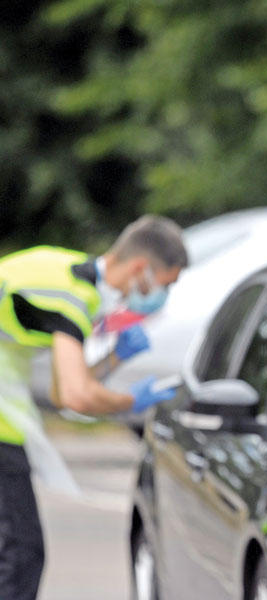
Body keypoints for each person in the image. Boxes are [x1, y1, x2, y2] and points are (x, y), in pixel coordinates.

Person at [0, 215, 188, 600]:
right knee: (22, 554)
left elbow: (60, 390)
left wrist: (116, 358)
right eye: (165, 285)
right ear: (141, 269)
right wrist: (131, 401)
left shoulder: (61, 270)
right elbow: (76, 396)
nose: (161, 298)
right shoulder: (71, 296)